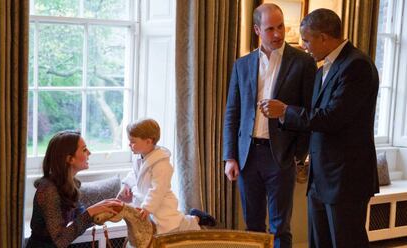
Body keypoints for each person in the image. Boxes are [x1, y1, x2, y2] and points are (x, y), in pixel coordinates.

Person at [260, 8, 379, 248]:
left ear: (323, 37)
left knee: (346, 243)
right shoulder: (324, 68)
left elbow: (332, 118)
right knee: (318, 243)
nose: (304, 46)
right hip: (321, 177)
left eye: (306, 39)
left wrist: (285, 111)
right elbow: (315, 117)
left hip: (346, 179)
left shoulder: (357, 66)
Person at [223, 3, 316, 248]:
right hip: (247, 156)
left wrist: (299, 156)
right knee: (252, 226)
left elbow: (310, 113)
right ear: (257, 29)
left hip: (281, 156)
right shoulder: (242, 65)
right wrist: (230, 157)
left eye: (281, 27)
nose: (277, 34)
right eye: (270, 29)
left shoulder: (303, 63)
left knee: (280, 228)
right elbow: (232, 113)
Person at [117, 118, 216, 234]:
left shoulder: (161, 164)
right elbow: (135, 174)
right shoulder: (139, 157)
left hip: (161, 203)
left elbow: (158, 189)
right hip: (143, 201)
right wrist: (127, 185)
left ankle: (197, 218)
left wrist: (147, 207)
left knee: (173, 226)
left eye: (133, 141)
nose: (129, 144)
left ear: (148, 141)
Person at [26, 130, 123, 248]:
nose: (90, 152)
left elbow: (81, 216)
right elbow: (60, 240)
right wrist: (91, 212)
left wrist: (104, 210)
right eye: (84, 149)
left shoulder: (71, 184)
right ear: (69, 159)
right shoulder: (48, 190)